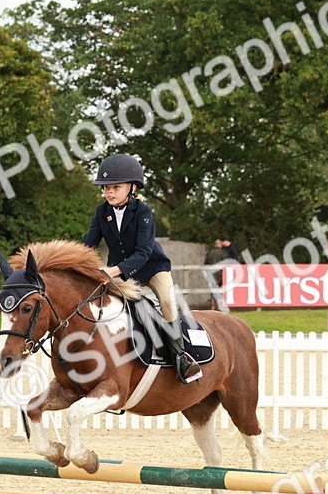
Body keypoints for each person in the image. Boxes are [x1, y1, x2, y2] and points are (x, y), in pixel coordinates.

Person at [83, 153, 201, 383]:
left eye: (115, 187)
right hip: (123, 274)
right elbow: (89, 244)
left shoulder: (143, 212)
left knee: (166, 302)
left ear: (132, 187)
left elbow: (144, 253)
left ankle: (182, 357)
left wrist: (114, 271)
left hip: (152, 269)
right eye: (106, 187)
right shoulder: (101, 212)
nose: (109, 192)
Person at [203, 238, 237, 310]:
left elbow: (205, 263)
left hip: (210, 274)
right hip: (220, 275)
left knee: (212, 290)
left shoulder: (210, 253)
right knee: (220, 290)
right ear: (220, 245)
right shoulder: (222, 252)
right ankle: (220, 305)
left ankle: (213, 306)